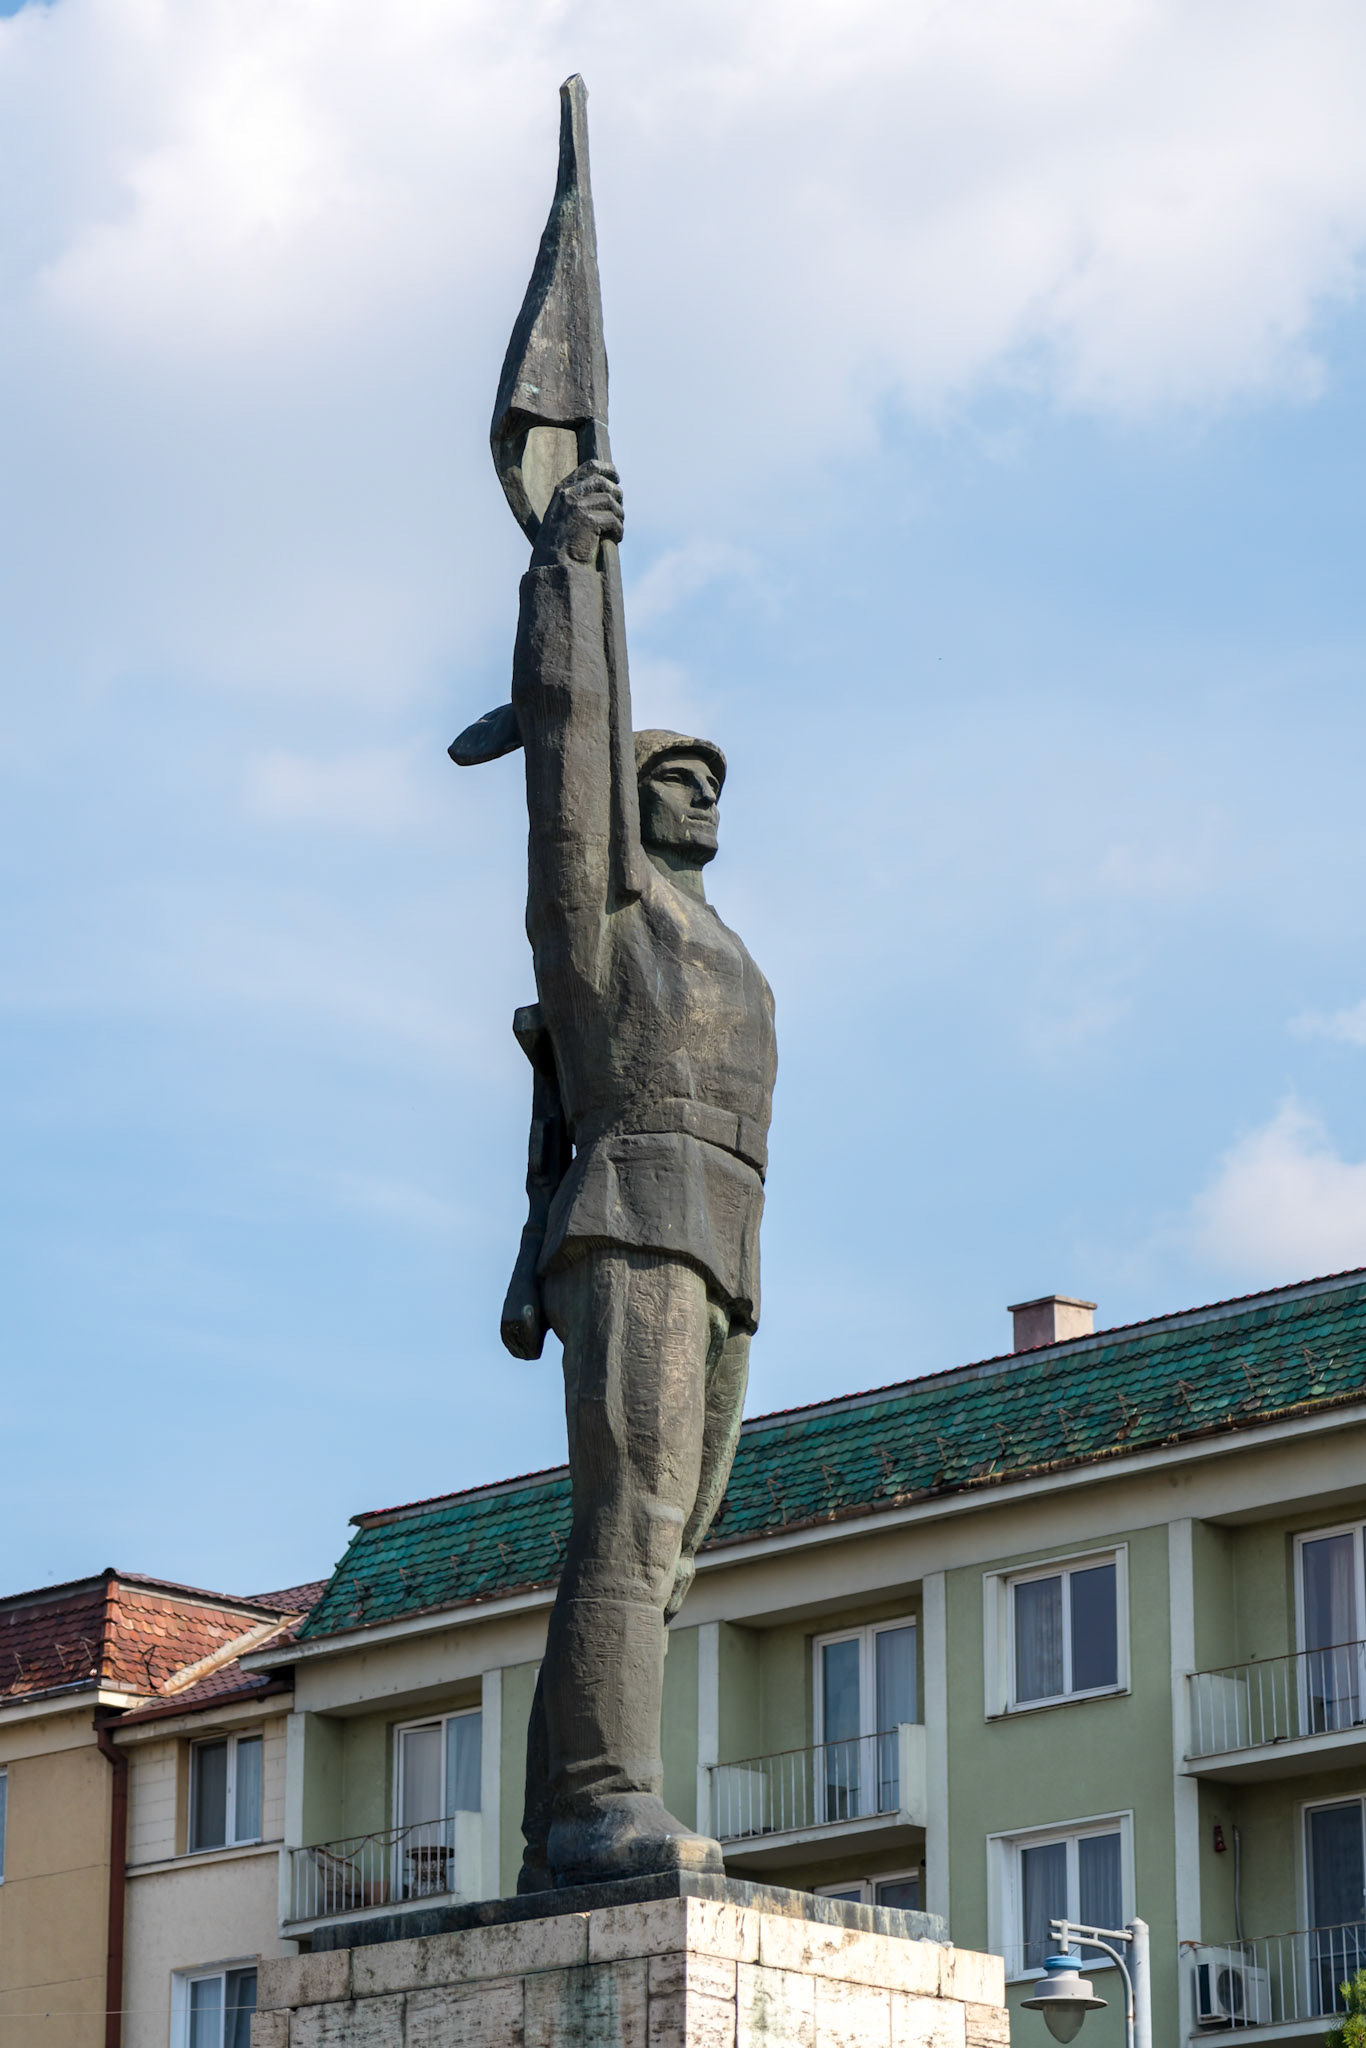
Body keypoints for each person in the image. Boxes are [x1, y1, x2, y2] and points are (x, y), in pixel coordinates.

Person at [508, 458, 777, 1890]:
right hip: (633, 1215)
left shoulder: (718, 936)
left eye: (712, 776)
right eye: (672, 771)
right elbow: (566, 738)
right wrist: (566, 571)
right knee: (633, 1514)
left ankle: (564, 1812)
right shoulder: (603, 918)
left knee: (670, 1547)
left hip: (726, 1243)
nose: (701, 788)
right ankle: (606, 1792)